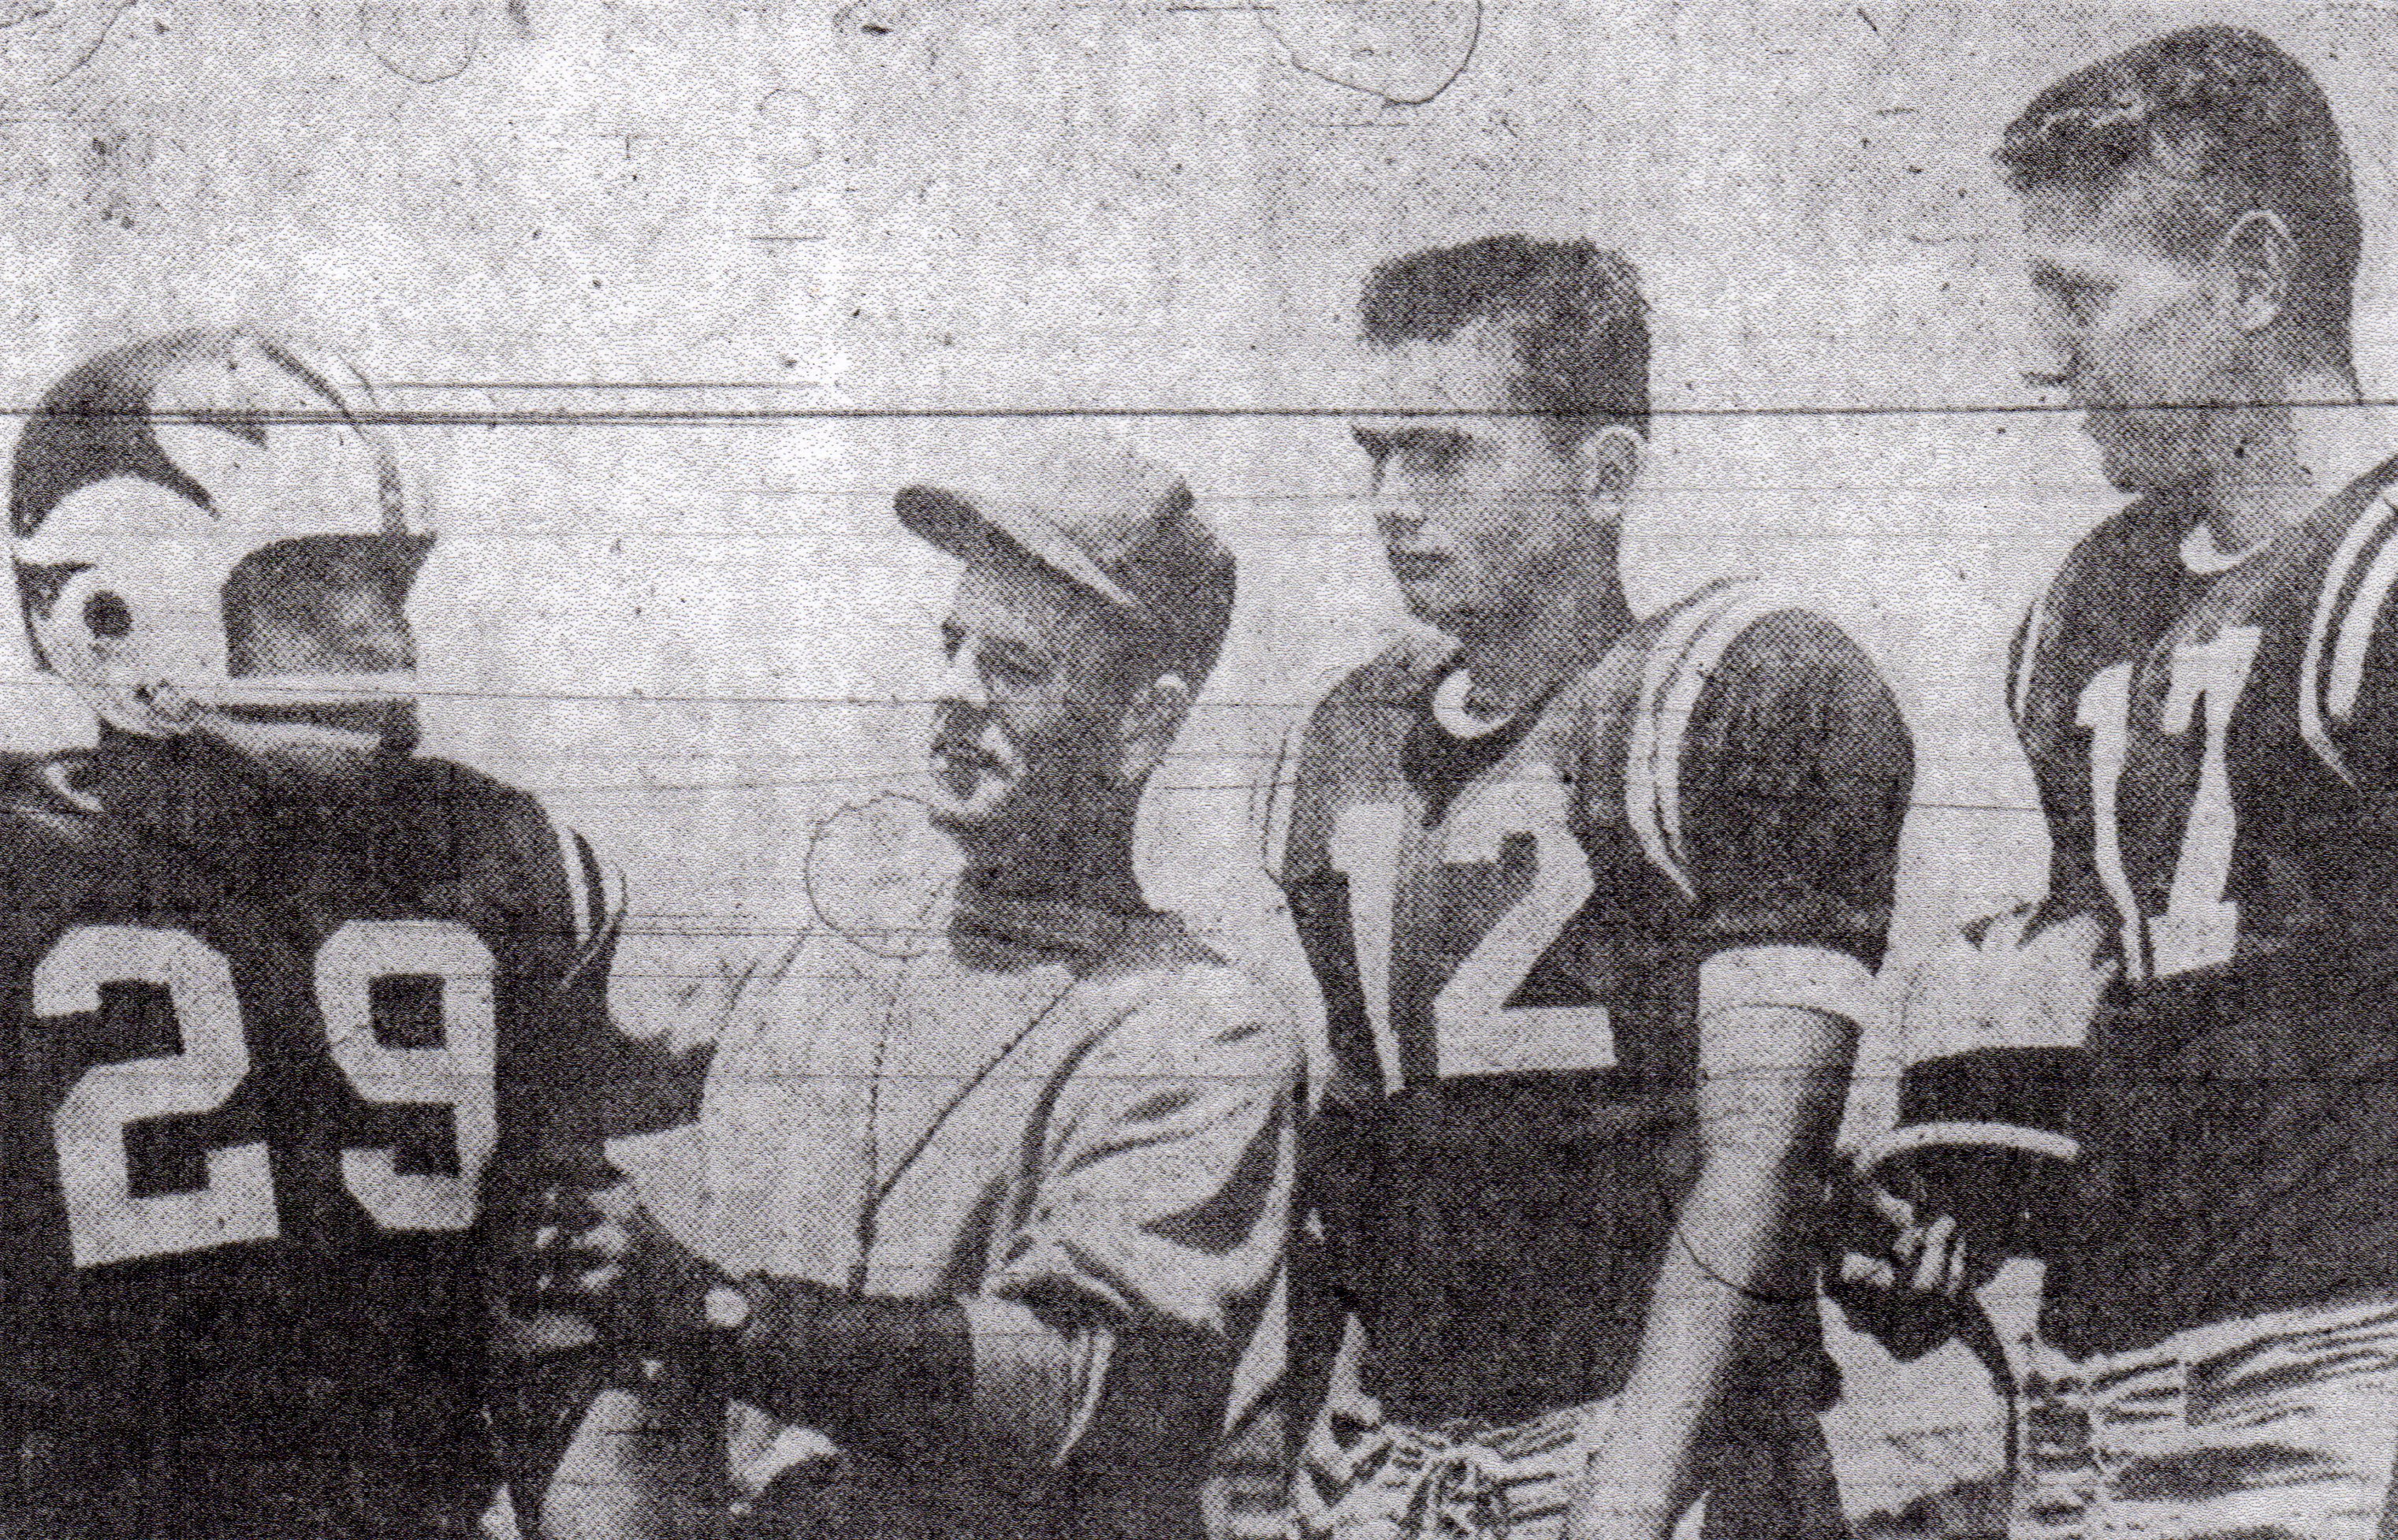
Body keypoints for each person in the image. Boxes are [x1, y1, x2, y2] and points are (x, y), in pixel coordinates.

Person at [516, 444, 1301, 1539]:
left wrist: (711, 1309)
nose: (953, 693)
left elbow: (1077, 1381)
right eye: (951, 646)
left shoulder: (1196, 1025)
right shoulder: (814, 964)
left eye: (1014, 666)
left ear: (1144, 724)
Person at [1834, 26, 2398, 1540]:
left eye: (2080, 293)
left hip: (2335, 1385)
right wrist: (1966, 1185)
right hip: (2087, 1397)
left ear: (2254, 276)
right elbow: (2144, 980)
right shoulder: (2086, 607)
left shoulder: (2379, 573)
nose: (2040, 350)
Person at [1261, 235, 1913, 1540]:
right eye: (1374, 452)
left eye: (1443, 453)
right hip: (1405, 1459)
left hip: (1654, 1453)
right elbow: (1351, 1138)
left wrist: (1630, 1486)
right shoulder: (1347, 738)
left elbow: (1759, 1154)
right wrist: (1308, 1439)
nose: (1392, 499)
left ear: (1601, 471)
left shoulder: (1731, 686)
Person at [0, 327, 682, 1538]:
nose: (383, 636)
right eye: (314, 590)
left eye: (384, 586)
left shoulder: (503, 861)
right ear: (116, 611)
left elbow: (570, 1337)